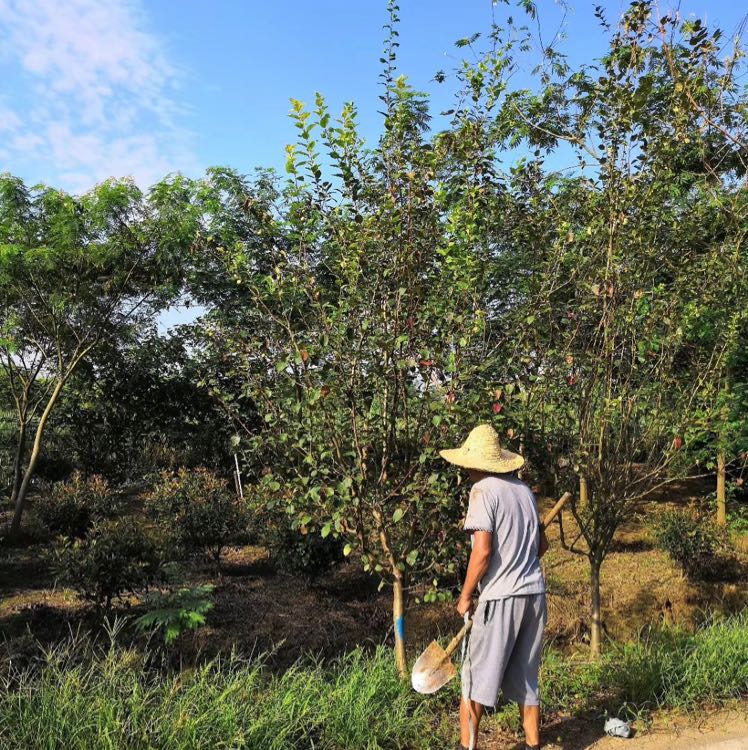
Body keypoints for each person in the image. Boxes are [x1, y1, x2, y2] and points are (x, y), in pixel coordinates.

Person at [440, 423, 549, 750]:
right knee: (527, 679)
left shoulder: (483, 491)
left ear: (474, 463)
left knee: (473, 683)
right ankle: (533, 745)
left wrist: (465, 594)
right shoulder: (524, 491)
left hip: (500, 598)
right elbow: (542, 547)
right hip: (534, 596)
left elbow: (483, 551)